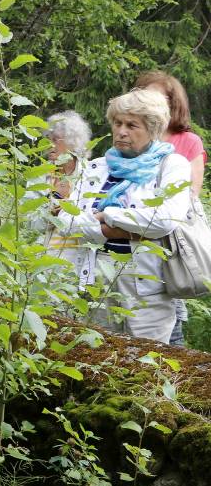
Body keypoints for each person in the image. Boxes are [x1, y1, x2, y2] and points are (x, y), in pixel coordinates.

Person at [48, 89, 191, 343]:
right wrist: (120, 228)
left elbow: (166, 220)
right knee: (97, 358)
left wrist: (108, 214)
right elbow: (67, 220)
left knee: (146, 366)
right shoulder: (98, 167)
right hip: (94, 281)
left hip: (146, 289)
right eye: (118, 123)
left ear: (153, 128)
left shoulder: (171, 165)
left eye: (132, 125)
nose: (122, 131)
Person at [134, 70, 207, 345]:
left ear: (172, 101)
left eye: (156, 95)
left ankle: (173, 374)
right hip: (131, 235)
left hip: (169, 235)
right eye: (142, 94)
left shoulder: (187, 141)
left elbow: (191, 194)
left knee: (170, 306)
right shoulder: (132, 134)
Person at [25, 111, 93, 266]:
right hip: (44, 259)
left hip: (81, 259)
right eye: (48, 139)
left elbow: (93, 220)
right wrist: (52, 209)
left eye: (55, 140)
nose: (49, 145)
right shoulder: (39, 176)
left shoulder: (91, 174)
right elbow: (28, 223)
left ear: (73, 142)